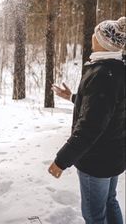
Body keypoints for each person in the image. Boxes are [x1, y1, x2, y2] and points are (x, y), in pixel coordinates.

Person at [48, 17, 126, 224]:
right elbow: (107, 108)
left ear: (104, 41)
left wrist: (61, 161)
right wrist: (74, 97)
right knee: (110, 202)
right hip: (113, 154)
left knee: (94, 215)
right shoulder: (117, 68)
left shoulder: (103, 74)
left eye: (96, 33)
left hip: (97, 159)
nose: (92, 36)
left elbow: (90, 126)